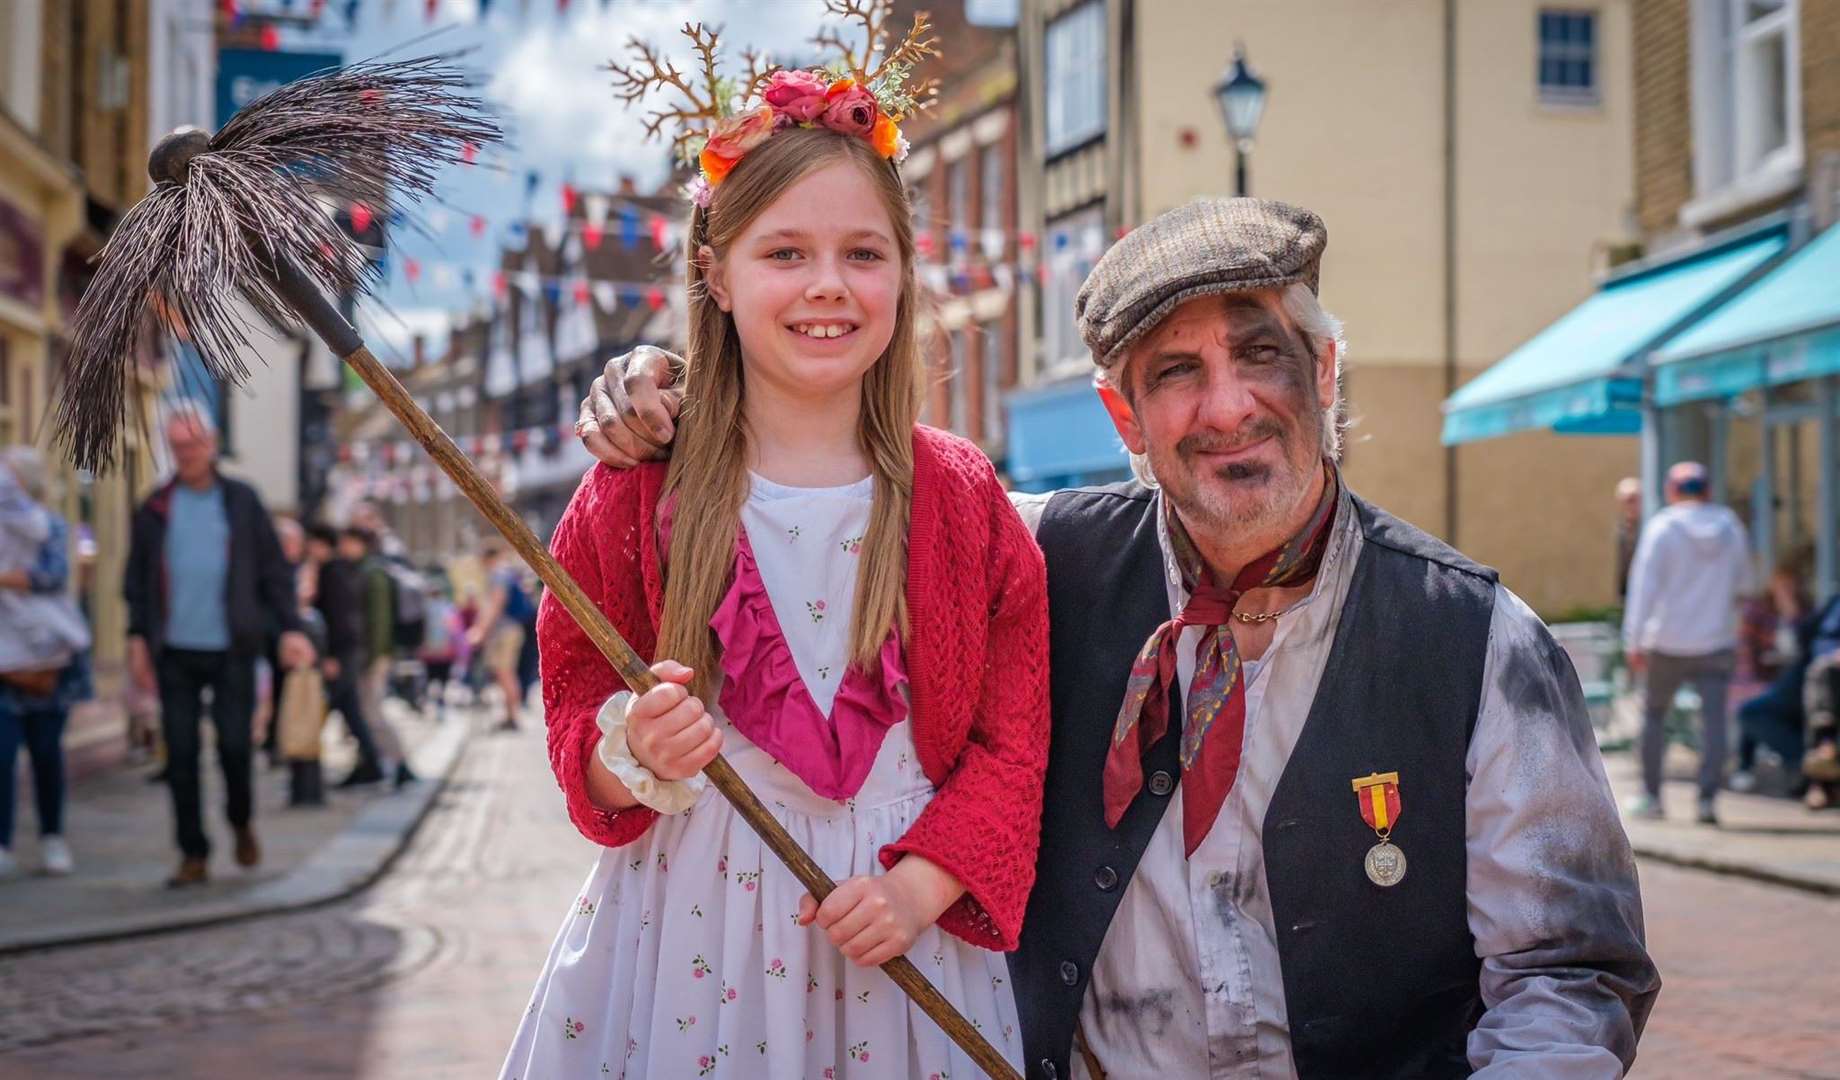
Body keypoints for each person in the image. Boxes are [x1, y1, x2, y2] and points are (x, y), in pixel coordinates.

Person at [581, 197, 1660, 1077]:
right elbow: (824, 492)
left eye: (1261, 355)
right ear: (1123, 421)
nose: (1227, 405)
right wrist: (672, 389)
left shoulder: (1476, 640)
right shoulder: (1027, 556)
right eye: (1175, 373)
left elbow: (1569, 971)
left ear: (1325, 377)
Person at [499, 59, 1049, 1080]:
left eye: (862, 253)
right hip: (688, 948)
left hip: (902, 936)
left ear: (902, 271)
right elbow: (576, 700)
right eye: (785, 252)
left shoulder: (963, 498)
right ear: (717, 272)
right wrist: (633, 753)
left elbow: (1011, 745)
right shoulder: (635, 494)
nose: (828, 284)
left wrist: (920, 889)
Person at [124, 405, 313, 887]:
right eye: (177, 447)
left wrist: (291, 628)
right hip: (174, 651)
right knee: (181, 755)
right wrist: (137, 641)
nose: (186, 455)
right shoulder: (154, 508)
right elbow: (137, 584)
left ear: (211, 444)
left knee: (234, 747)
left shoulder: (242, 502)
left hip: (233, 647)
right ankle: (194, 853)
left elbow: (274, 573)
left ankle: (240, 820)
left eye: (193, 445)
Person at [1622, 460, 1754, 825]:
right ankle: (1708, 801)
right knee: (1714, 722)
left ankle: (1651, 796)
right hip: (1716, 641)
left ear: (1671, 490)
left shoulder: (1661, 529)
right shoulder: (1730, 528)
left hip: (1665, 641)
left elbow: (1642, 590)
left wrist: (1633, 639)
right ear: (1708, 489)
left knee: (1653, 716)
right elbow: (1744, 586)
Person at [0, 447, 92, 878]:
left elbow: (52, 575)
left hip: (46, 659)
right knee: (1, 753)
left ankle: (52, 837)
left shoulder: (50, 526)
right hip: (4, 659)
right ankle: (3, 843)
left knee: (45, 751)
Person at [1731, 557, 1810, 791]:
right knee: (1753, 702)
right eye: (1782, 583)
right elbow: (1746, 649)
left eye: (1791, 584)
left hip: (1794, 678)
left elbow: (1803, 645)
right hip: (1761, 675)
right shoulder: (1758, 609)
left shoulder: (1805, 609)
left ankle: (1797, 765)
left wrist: (1792, 612)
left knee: (1762, 706)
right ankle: (1745, 766)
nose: (1787, 588)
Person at [468, 543, 531, 732]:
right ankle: (510, 715)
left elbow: (495, 604)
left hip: (505, 631)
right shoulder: (506, 573)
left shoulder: (498, 575)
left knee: (505, 673)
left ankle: (512, 717)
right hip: (510, 629)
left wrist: (480, 631)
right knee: (506, 673)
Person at [1614, 477, 1641, 600]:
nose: (1628, 505)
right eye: (1624, 501)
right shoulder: (1622, 529)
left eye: (1632, 500)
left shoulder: (1653, 529)